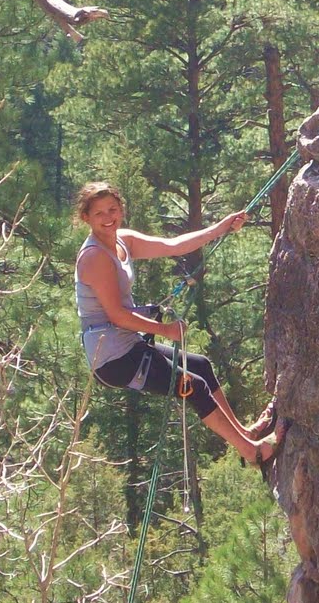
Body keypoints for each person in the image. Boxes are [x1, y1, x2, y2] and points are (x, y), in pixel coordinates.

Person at [73, 180, 283, 468]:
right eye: (99, 213)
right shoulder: (95, 256)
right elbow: (116, 315)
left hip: (128, 346)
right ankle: (251, 451)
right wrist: (165, 330)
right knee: (193, 386)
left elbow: (173, 245)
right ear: (86, 218)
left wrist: (219, 228)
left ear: (121, 209)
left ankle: (244, 435)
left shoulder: (123, 240)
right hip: (113, 359)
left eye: (113, 209)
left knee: (200, 366)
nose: (108, 218)